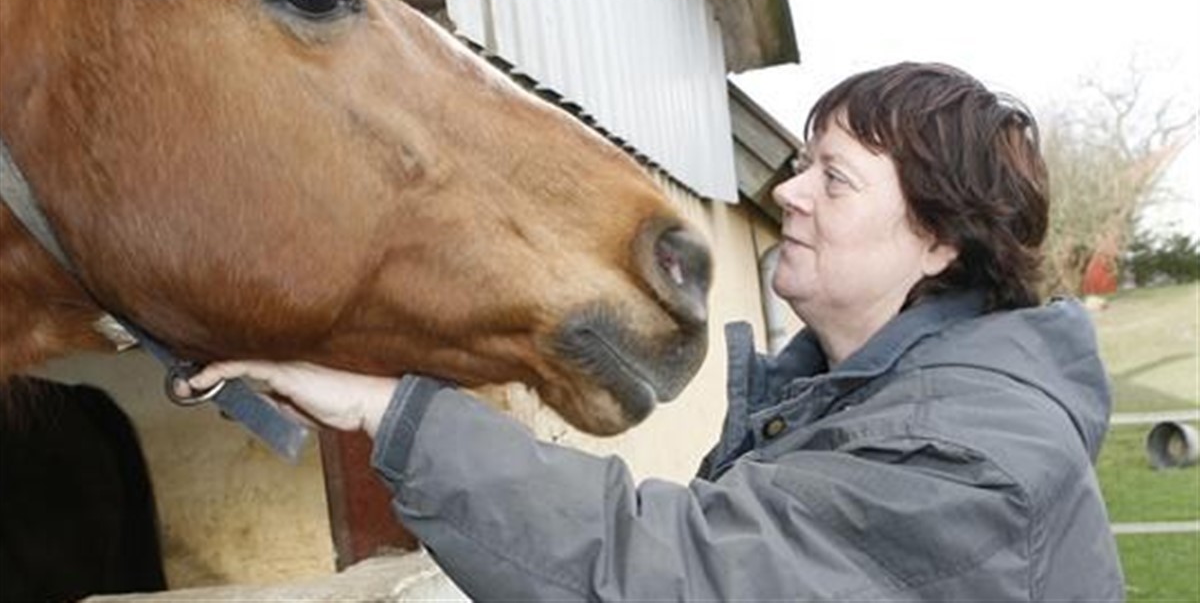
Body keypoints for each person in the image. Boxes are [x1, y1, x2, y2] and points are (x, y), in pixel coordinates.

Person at [191, 62, 1125, 601]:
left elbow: (670, 573)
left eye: (833, 179)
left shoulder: (958, 456)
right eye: (801, 164)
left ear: (938, 241)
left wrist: (394, 413)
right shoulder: (857, 400)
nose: (787, 192)